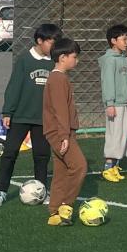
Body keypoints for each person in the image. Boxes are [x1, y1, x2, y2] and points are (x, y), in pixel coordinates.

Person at [0, 23, 62, 208]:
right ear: (40, 41)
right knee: (10, 153)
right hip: (20, 117)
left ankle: (42, 189)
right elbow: (14, 87)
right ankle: (0, 191)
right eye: (52, 43)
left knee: (41, 156)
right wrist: (8, 112)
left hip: (43, 119)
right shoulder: (24, 60)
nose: (54, 47)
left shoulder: (54, 63)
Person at [42, 38, 87, 227]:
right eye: (74, 57)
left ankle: (54, 213)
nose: (76, 61)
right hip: (60, 133)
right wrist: (64, 136)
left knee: (61, 172)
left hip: (59, 132)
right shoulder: (58, 79)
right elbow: (60, 110)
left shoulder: (57, 78)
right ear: (62, 58)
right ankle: (65, 206)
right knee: (79, 167)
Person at [99, 24, 127, 182]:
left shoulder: (123, 59)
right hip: (115, 104)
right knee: (114, 136)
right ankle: (108, 167)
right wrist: (109, 103)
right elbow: (107, 82)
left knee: (124, 135)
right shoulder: (109, 61)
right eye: (124, 39)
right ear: (113, 41)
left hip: (125, 103)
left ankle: (115, 165)